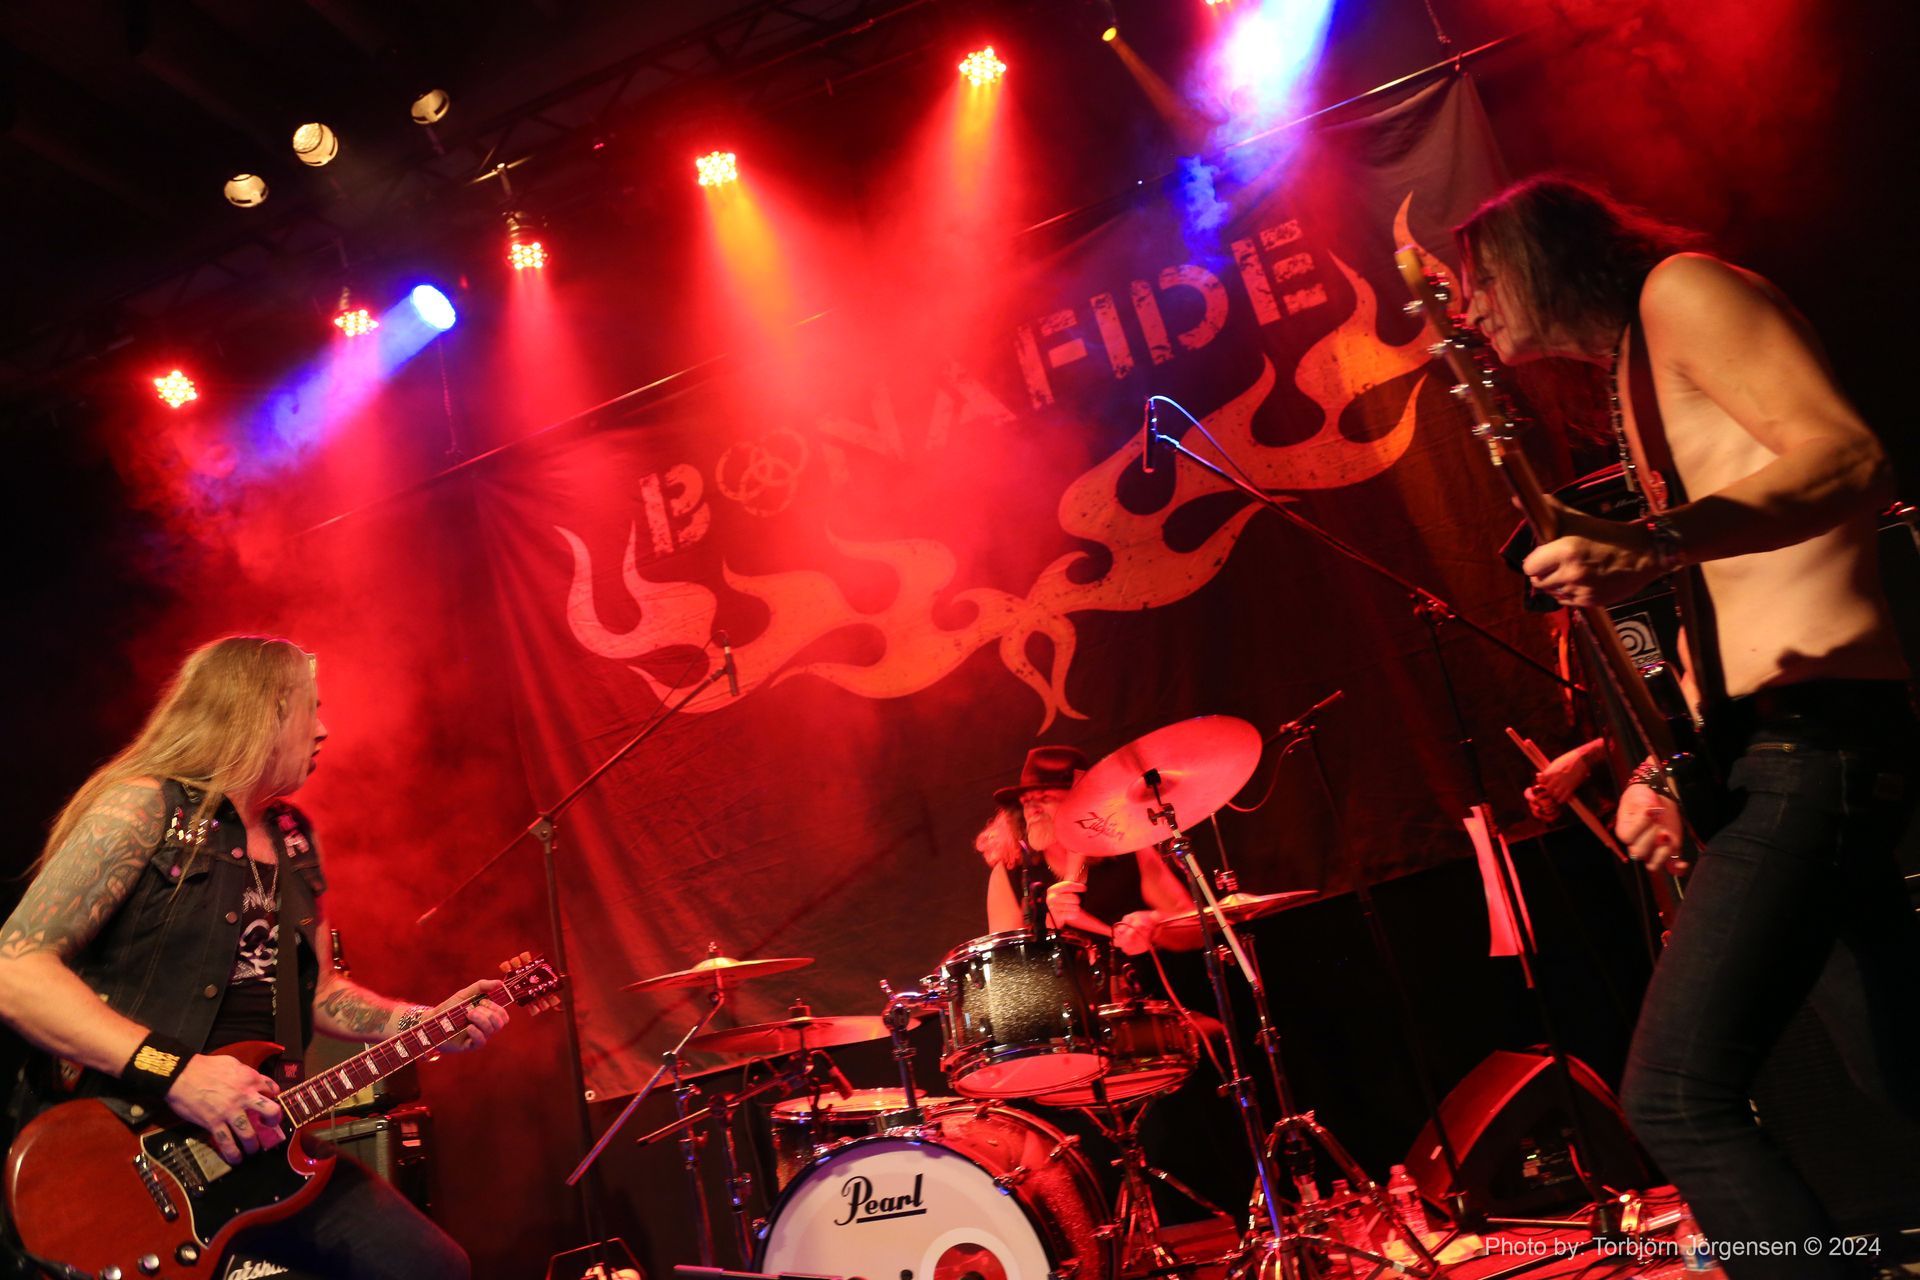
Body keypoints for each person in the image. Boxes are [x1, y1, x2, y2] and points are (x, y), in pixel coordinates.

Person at [1456, 176, 1920, 1276]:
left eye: (1479, 282)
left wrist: (1656, 540)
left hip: (1816, 740)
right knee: (1904, 1067)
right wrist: (1670, 769)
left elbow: (1851, 459)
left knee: (1674, 1092)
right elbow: (1727, 603)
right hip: (1776, 746)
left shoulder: (1685, 290)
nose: (1469, 310)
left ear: (1539, 258)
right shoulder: (1634, 366)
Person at [0, 636, 509, 1279]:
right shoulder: (144, 807)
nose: (323, 730)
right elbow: (15, 971)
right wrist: (180, 1074)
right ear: (262, 713)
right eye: (310, 709)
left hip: (260, 1146)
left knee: (430, 1267)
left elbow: (319, 992)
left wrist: (422, 1022)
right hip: (126, 1151)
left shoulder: (294, 838)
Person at [975, 746, 1199, 956]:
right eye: (1026, 802)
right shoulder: (1010, 872)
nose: (1032, 810)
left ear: (1081, 802)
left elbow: (1195, 928)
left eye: (1045, 798)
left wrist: (1155, 926)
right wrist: (1046, 926)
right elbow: (1005, 968)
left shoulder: (1128, 852)